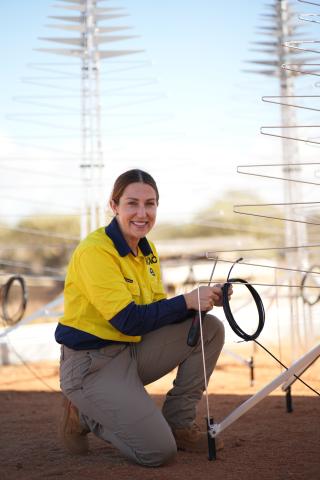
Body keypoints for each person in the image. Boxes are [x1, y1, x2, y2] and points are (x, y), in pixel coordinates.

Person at [55, 169, 231, 467]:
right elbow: (128, 321)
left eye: (150, 204)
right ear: (114, 206)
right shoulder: (95, 251)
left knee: (209, 328)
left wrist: (199, 303)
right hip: (91, 365)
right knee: (158, 452)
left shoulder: (147, 251)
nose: (142, 213)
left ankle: (178, 424)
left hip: (130, 350)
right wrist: (186, 300)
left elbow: (156, 313)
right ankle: (83, 414)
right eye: (132, 203)